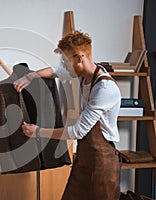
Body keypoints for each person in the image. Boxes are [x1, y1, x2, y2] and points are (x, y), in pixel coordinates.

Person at [13, 31, 121, 200]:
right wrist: (30, 76)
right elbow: (55, 71)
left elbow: (77, 132)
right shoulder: (81, 76)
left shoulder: (105, 89)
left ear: (80, 58)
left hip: (102, 165)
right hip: (85, 159)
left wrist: (38, 131)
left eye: (66, 60)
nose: (64, 65)